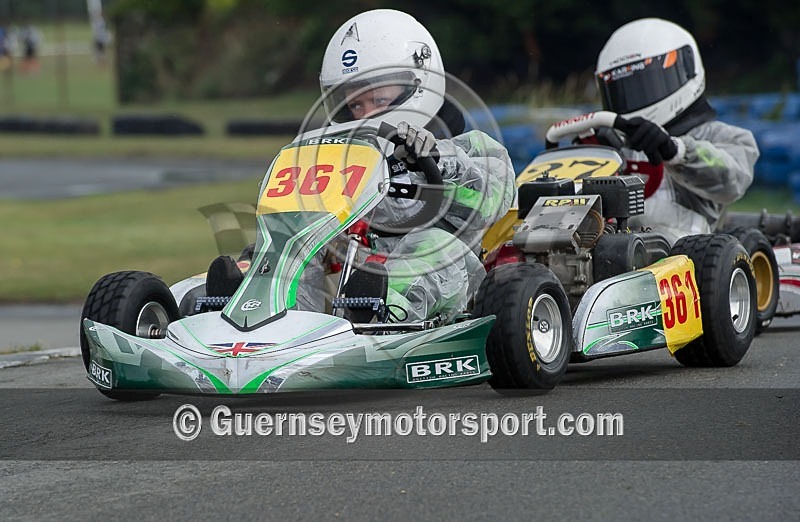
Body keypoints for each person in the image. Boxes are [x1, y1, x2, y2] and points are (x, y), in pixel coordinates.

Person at [304, 8, 516, 323]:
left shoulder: (470, 148)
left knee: (431, 245)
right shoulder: (346, 163)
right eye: (355, 105)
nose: (364, 116)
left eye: (378, 101)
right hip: (354, 272)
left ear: (417, 84)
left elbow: (492, 201)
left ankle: (374, 322)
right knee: (299, 249)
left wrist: (437, 161)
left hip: (454, 281)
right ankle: (273, 329)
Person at [592, 18, 759, 245]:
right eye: (624, 90)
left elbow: (732, 179)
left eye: (646, 84)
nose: (636, 98)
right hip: (618, 252)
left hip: (686, 260)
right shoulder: (615, 147)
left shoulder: (720, 136)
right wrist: (592, 156)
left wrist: (675, 152)